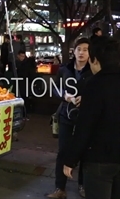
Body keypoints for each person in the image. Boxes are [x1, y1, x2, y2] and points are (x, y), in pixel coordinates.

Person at [63, 36, 120, 199]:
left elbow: (85, 126)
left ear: (95, 61)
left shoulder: (95, 85)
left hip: (99, 159)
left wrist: (71, 159)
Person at [47, 37, 93, 199]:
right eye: (79, 49)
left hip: (86, 117)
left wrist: (86, 98)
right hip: (66, 115)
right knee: (63, 151)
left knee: (85, 152)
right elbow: (55, 89)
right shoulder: (64, 69)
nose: (81, 53)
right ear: (73, 51)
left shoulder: (93, 70)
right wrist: (65, 96)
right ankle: (60, 188)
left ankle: (83, 185)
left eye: (86, 49)